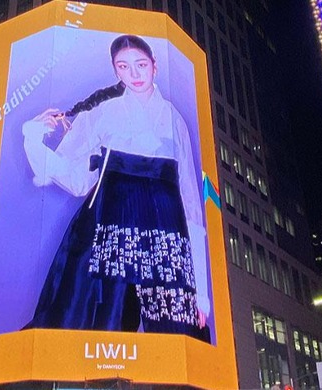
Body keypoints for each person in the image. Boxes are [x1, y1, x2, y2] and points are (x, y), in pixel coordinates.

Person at [21, 35, 210, 341]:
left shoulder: (174, 121)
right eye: (124, 66)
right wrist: (31, 136)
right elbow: (77, 179)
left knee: (178, 353)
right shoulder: (102, 115)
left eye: (141, 65)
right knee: (95, 344)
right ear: (115, 71)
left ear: (154, 66)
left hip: (164, 241)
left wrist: (200, 287)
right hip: (108, 236)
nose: (134, 74)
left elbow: (190, 201)